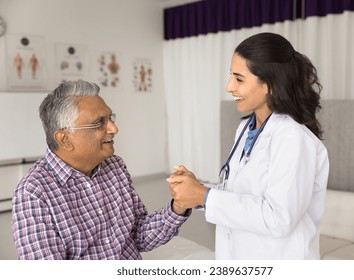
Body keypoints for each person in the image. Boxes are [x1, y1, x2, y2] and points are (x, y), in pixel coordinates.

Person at [167, 32, 329, 259]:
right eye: (230, 76)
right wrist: (197, 189)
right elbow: (241, 193)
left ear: (270, 84)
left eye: (239, 78)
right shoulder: (245, 129)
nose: (229, 86)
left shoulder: (293, 138)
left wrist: (204, 196)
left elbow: (279, 218)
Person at [12, 80, 191, 260]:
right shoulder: (33, 193)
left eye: (110, 118)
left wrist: (178, 206)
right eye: (99, 123)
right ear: (65, 139)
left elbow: (139, 237)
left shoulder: (115, 166)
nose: (114, 128)